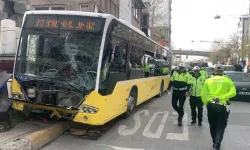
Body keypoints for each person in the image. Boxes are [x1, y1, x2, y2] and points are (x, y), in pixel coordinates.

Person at [200, 64, 236, 150]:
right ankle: (217, 143)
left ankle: (215, 142)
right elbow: (233, 92)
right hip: (223, 106)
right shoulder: (228, 80)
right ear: (223, 71)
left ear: (214, 71)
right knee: (221, 126)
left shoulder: (208, 81)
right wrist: (222, 97)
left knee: (212, 125)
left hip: (211, 105)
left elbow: (203, 94)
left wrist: (207, 103)